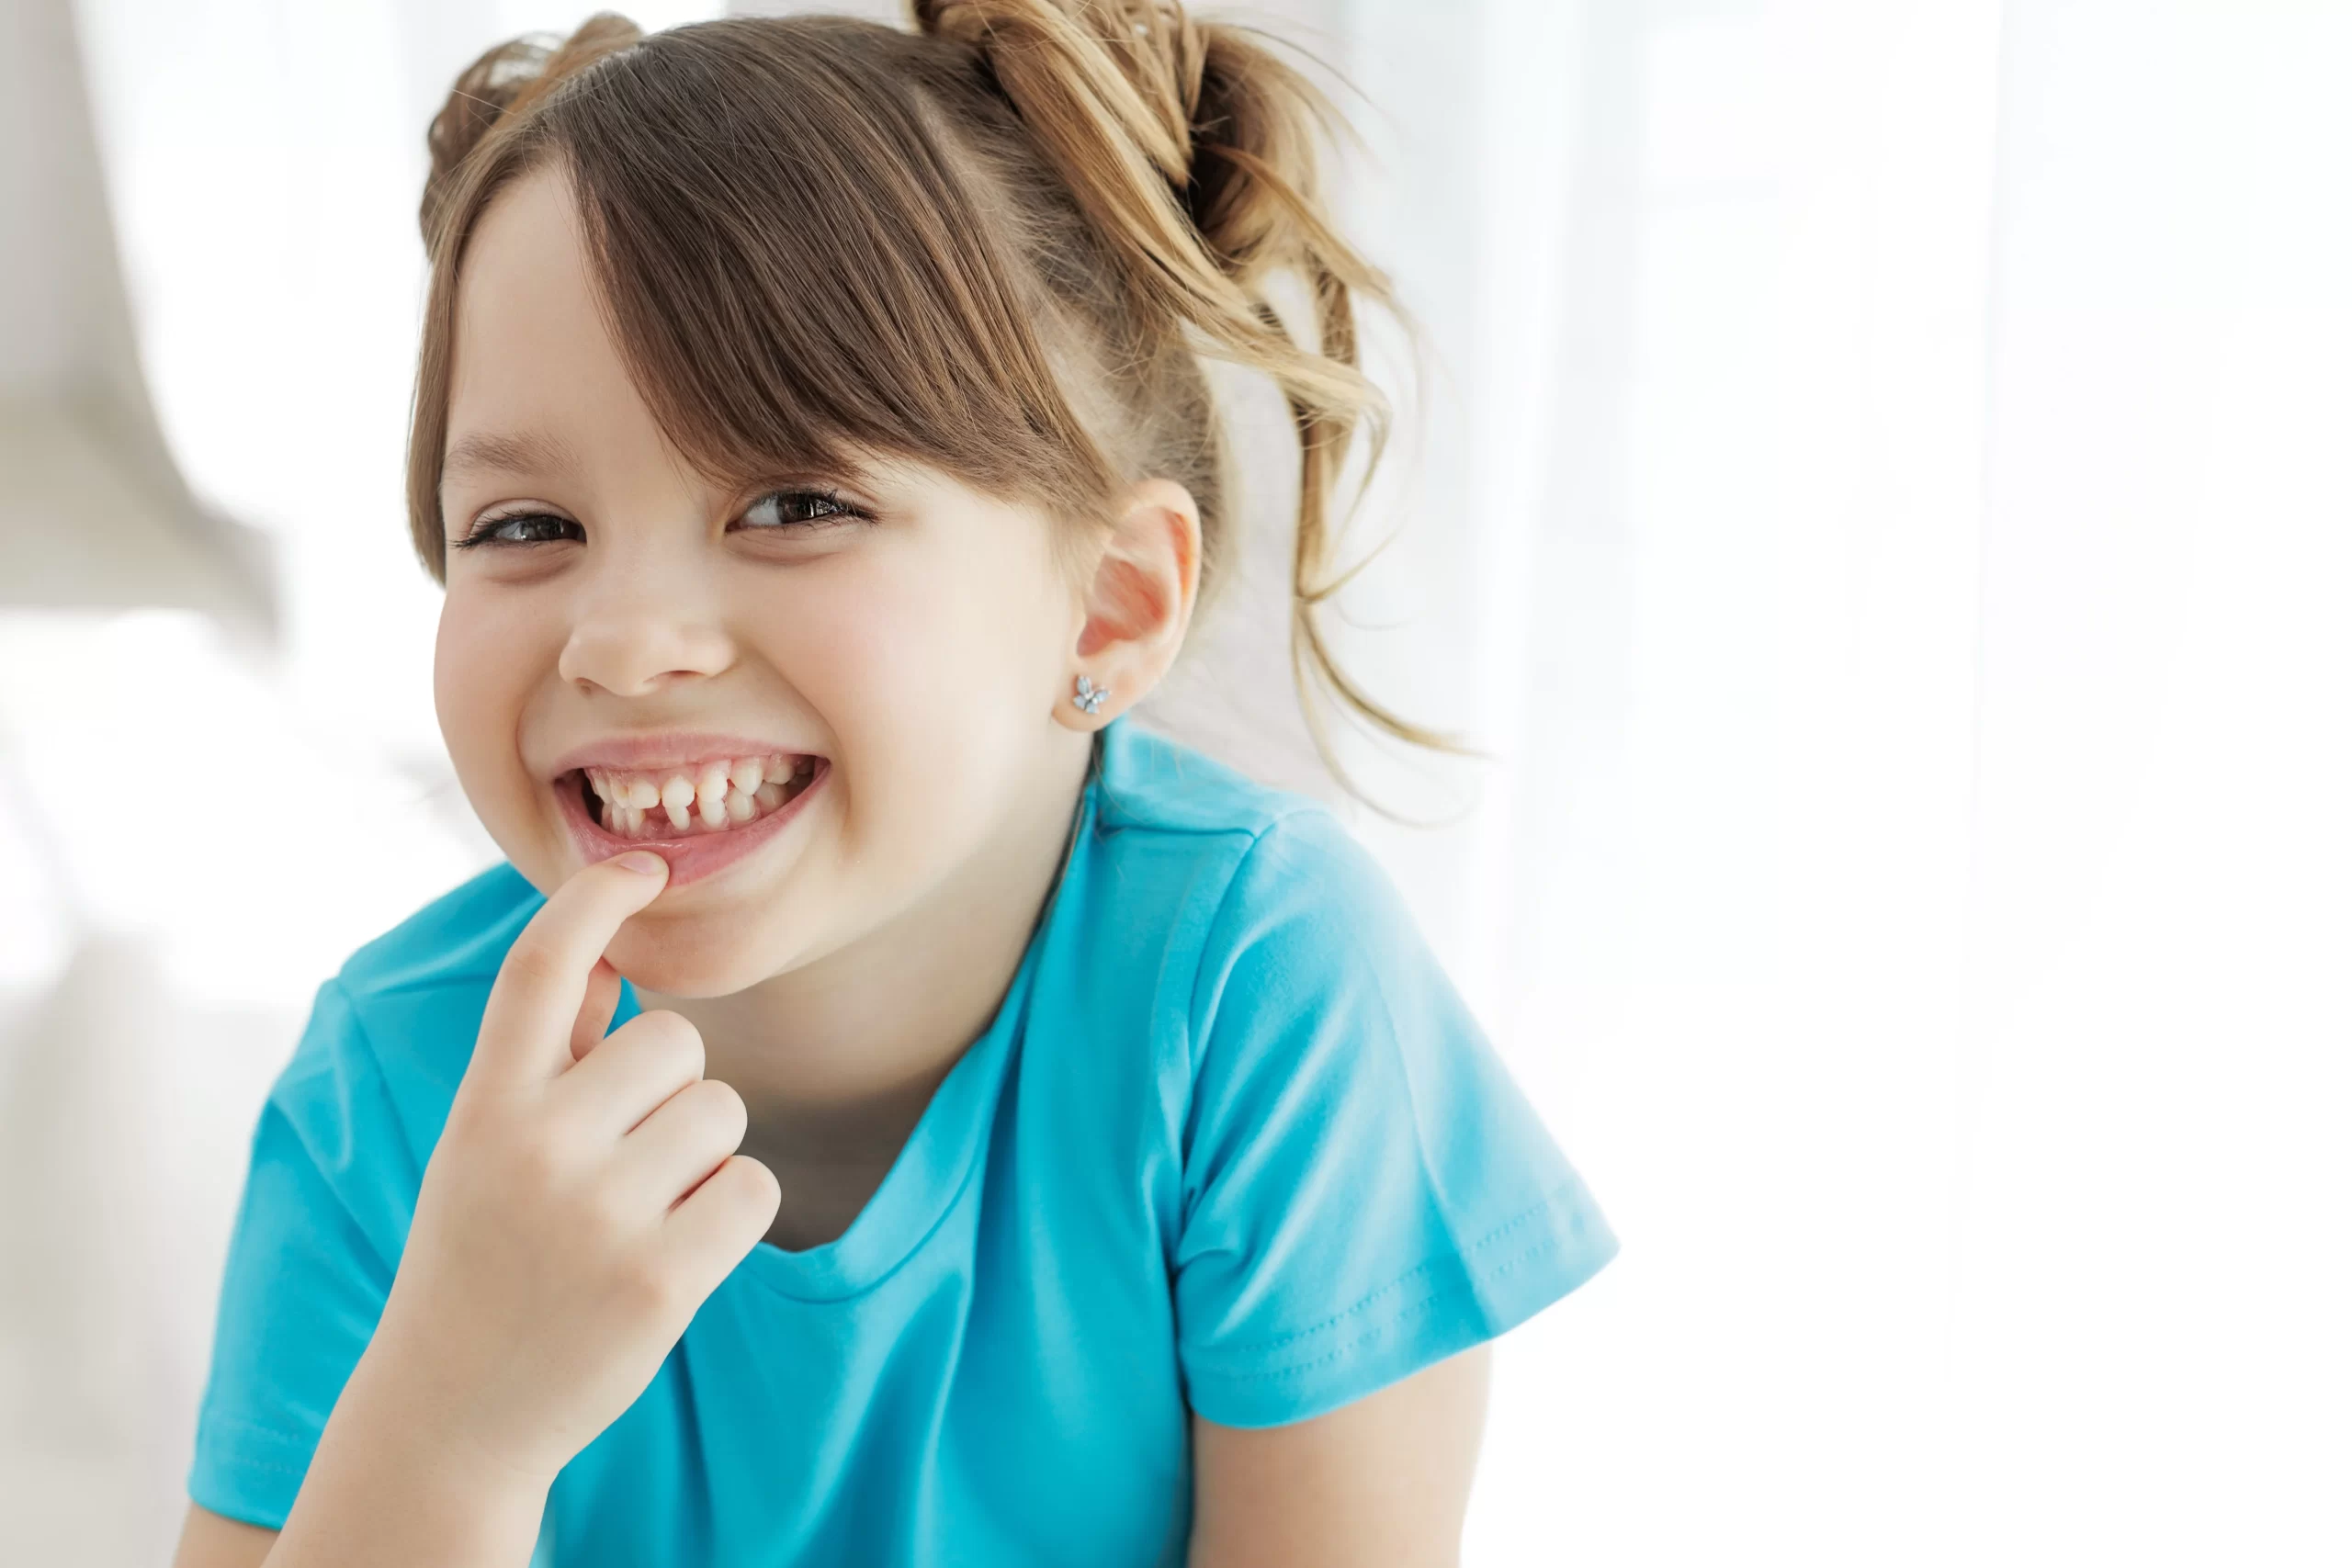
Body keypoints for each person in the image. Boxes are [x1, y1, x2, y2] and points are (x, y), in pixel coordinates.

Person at [170, 6, 1616, 1565]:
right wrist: (452, 1416)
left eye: (794, 500)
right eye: (526, 526)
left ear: (1111, 606)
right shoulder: (389, 1086)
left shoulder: (1251, 985)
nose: (626, 640)